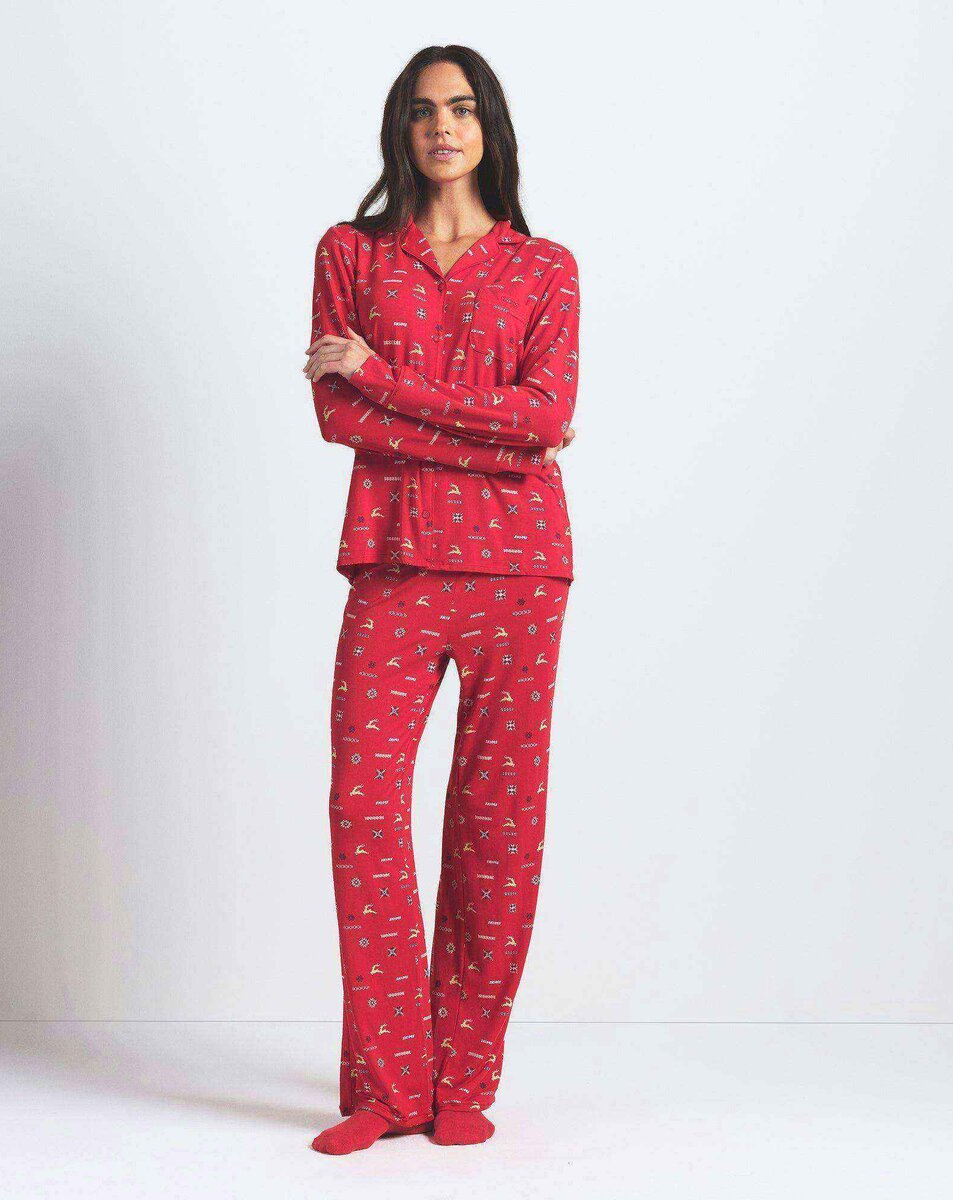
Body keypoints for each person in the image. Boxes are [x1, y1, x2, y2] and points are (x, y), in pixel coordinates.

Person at [302, 43, 580, 1155]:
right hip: (395, 561)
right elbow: (338, 419)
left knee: (495, 823)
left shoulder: (545, 267)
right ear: (400, 128)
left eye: (461, 108)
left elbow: (547, 412)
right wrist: (502, 440)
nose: (442, 126)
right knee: (363, 807)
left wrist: (380, 375)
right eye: (423, 110)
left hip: (520, 571)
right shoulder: (351, 253)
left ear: (488, 125)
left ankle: (464, 1075)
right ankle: (388, 1087)